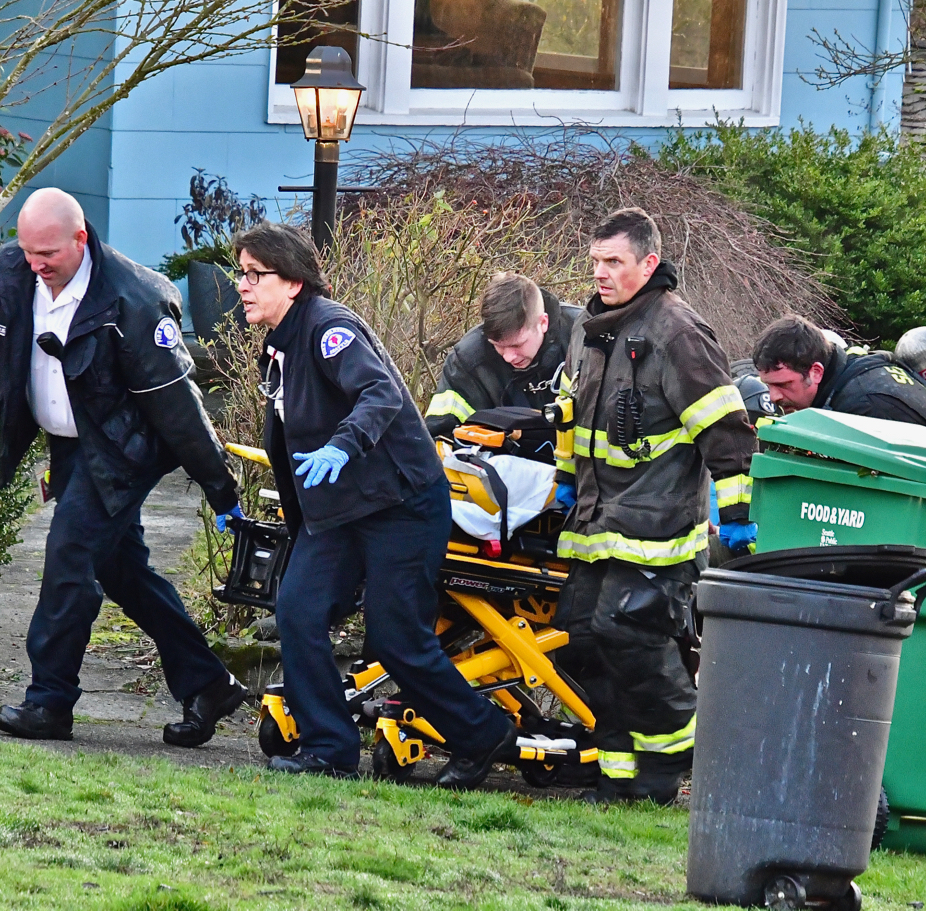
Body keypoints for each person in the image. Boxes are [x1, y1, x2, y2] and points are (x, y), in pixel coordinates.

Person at [0, 188, 246, 746]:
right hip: (71, 446)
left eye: (47, 253)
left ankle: (49, 702)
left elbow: (178, 406)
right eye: (27, 251)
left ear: (80, 239)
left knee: (70, 553)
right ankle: (209, 683)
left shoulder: (134, 300)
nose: (36, 264)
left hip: (125, 450)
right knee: (120, 570)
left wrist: (219, 487)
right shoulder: (5, 274)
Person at [234, 221, 517, 785]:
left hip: (400, 505)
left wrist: (344, 444)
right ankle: (329, 749)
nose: (243, 286)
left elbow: (380, 392)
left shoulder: (328, 329)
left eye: (255, 275)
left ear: (292, 283)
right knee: (299, 611)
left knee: (395, 638)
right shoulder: (279, 345)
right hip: (336, 512)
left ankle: (482, 735)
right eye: (240, 274)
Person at [552, 207, 758, 804]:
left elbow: (725, 430)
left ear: (649, 263)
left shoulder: (678, 332)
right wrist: (566, 484)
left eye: (613, 262)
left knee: (629, 633)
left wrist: (737, 518)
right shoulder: (589, 329)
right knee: (582, 639)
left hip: (657, 526)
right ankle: (618, 773)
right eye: (595, 261)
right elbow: (573, 418)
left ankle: (674, 758)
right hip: (593, 521)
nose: (600, 273)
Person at [425, 272, 581, 439]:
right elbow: (440, 436)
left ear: (543, 323)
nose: (509, 357)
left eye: (517, 345)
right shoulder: (467, 361)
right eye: (498, 346)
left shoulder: (586, 335)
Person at [752, 314, 926, 431]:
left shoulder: (863, 406)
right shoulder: (851, 374)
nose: (773, 397)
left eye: (783, 385)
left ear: (815, 372)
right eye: (768, 385)